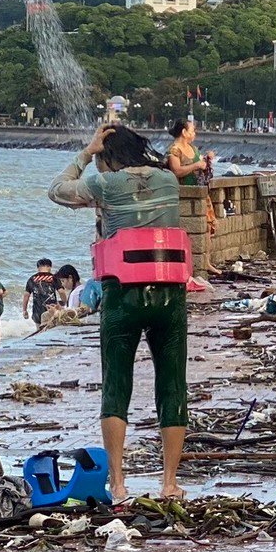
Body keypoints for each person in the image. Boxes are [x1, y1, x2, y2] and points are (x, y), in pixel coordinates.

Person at [48, 122, 190, 503]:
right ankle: (169, 483)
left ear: (107, 156)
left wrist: (86, 152)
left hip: (121, 294)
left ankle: (119, 481)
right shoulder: (168, 181)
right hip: (169, 294)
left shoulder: (105, 184)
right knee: (172, 384)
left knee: (116, 385)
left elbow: (56, 190)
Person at [169, 117, 216, 272]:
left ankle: (206, 262)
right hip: (184, 195)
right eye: (192, 130)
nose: (194, 133)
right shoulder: (175, 150)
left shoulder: (193, 149)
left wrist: (207, 159)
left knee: (207, 228)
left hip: (200, 192)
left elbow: (201, 164)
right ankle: (190, 264)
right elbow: (176, 170)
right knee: (187, 230)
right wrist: (196, 165)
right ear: (184, 132)